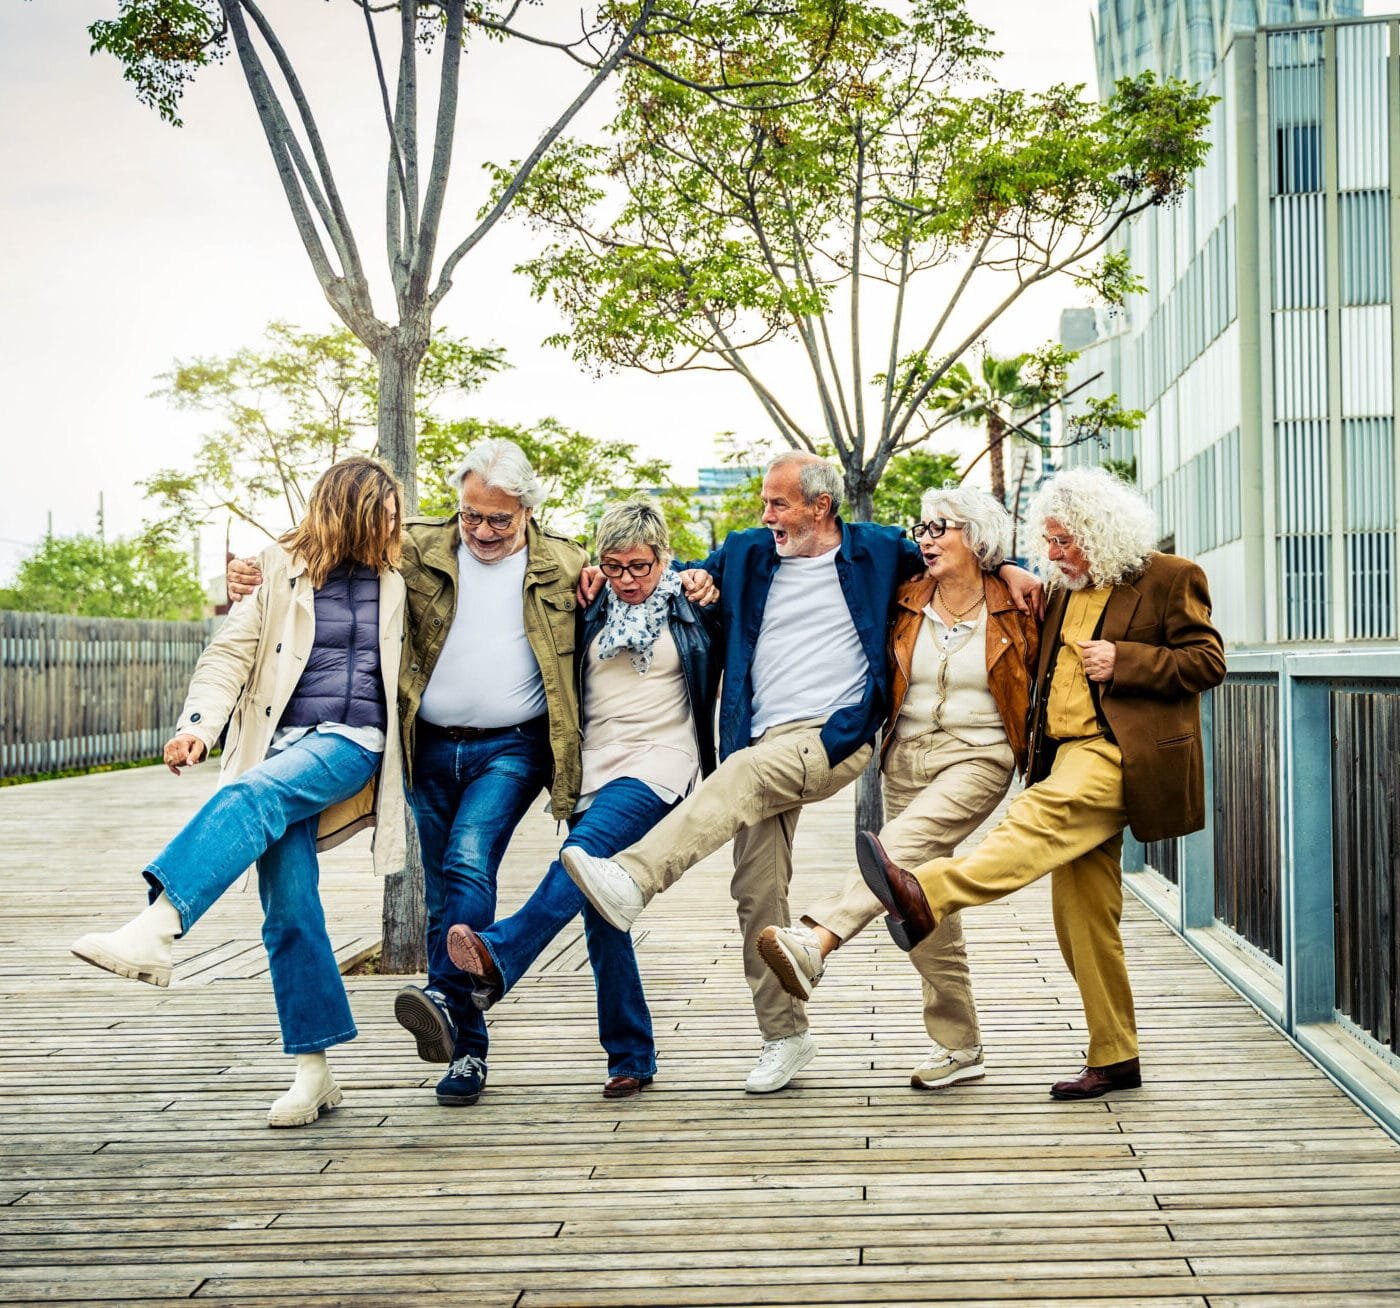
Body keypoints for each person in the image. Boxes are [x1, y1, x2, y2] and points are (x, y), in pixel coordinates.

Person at [563, 452, 1042, 1093]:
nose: (766, 515)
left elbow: (960, 555)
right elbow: (667, 579)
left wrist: (1008, 564)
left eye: (779, 503)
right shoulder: (745, 553)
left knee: (744, 776)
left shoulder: (878, 552)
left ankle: (636, 878)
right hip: (765, 737)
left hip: (831, 736)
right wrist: (601, 572)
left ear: (820, 506)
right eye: (765, 503)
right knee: (758, 890)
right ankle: (787, 1037)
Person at [228, 438, 586, 1109]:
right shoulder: (415, 546)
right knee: (442, 897)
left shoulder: (566, 563)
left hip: (512, 747)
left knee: (469, 859)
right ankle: (465, 1049)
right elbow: (324, 549)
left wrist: (693, 581)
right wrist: (253, 572)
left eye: (499, 520)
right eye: (471, 515)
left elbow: (632, 587)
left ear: (528, 511)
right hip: (425, 747)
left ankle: (446, 997)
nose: (482, 530)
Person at [855, 466, 1226, 1099]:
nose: (1053, 553)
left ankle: (925, 892)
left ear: (1099, 531)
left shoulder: (1169, 577)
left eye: (1063, 541)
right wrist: (1006, 568)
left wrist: (1127, 660)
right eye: (1047, 541)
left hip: (1116, 754)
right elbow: (994, 579)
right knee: (1081, 917)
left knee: (1033, 818)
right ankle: (1116, 1055)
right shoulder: (1057, 588)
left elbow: (1208, 660)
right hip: (1062, 752)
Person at [71, 456, 407, 1128]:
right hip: (281, 742)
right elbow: (229, 653)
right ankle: (314, 1072)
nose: (393, 527)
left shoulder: (404, 572)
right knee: (290, 910)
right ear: (348, 515)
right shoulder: (279, 568)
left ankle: (158, 926)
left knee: (249, 797)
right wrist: (198, 727)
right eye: (381, 516)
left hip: (353, 742)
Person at [757, 483, 1038, 1090]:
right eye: (923, 529)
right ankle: (961, 1046)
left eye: (941, 528)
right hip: (905, 758)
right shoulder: (907, 597)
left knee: (893, 856)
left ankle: (817, 938)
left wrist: (1014, 568)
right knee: (920, 903)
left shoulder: (1018, 607)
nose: (926, 540)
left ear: (976, 539)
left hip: (978, 756)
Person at [444, 498, 718, 1098]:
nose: (628, 579)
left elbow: (730, 590)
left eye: (640, 566)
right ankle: (631, 1055)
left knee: (580, 857)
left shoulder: (692, 604)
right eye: (614, 566)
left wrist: (704, 578)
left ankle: (500, 953)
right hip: (595, 766)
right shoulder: (588, 605)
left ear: (663, 557)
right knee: (600, 910)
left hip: (663, 760)